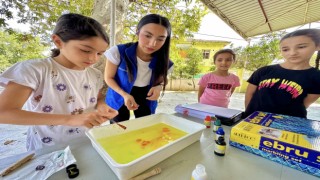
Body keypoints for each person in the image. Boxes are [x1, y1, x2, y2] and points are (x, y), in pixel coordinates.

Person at [0, 13, 118, 151]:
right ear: (58, 41)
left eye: (100, 53)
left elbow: (97, 98)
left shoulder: (95, 74)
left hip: (88, 142)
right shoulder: (34, 70)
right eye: (85, 50)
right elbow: (4, 113)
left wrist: (102, 106)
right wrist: (69, 119)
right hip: (48, 148)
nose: (93, 59)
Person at [104, 14, 173, 122]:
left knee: (145, 125)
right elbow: (108, 78)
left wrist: (159, 87)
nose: (153, 44)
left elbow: (161, 81)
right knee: (118, 127)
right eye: (148, 36)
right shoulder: (118, 52)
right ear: (137, 32)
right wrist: (124, 95)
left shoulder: (165, 62)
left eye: (160, 39)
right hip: (119, 92)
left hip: (146, 95)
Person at [244, 29, 320, 118]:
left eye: (301, 47)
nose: (292, 53)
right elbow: (249, 95)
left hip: (288, 125)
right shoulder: (264, 71)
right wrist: (248, 116)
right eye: (285, 49)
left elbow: (304, 104)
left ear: (317, 46)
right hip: (255, 121)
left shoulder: (316, 77)